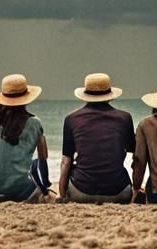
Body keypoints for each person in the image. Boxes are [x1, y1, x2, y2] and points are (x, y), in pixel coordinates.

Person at [0, 74, 51, 202]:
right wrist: (45, 186)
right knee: (34, 171)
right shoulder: (34, 123)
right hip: (18, 193)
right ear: (26, 98)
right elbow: (43, 159)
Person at [58, 72, 135, 204]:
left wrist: (62, 192)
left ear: (85, 96)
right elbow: (133, 151)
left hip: (80, 191)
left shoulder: (71, 119)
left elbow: (66, 161)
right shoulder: (125, 118)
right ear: (110, 96)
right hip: (118, 192)